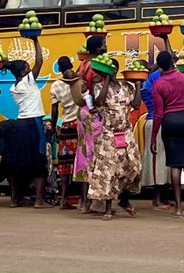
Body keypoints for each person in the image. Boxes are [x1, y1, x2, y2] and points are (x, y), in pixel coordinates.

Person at [88, 58, 142, 221]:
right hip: (108, 134)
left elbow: (137, 105)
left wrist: (138, 84)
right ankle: (108, 208)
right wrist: (106, 81)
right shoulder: (98, 87)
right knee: (109, 172)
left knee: (134, 167)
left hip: (125, 133)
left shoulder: (127, 87)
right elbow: (98, 102)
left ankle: (124, 198)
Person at [151, 51, 184, 217]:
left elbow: (158, 114)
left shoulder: (157, 84)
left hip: (170, 122)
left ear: (159, 66)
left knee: (174, 164)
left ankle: (179, 207)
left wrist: (153, 137)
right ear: (173, 63)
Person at [2, 36, 51, 208]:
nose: (31, 70)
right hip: (33, 124)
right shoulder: (28, 82)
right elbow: (40, 60)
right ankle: (38, 201)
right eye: (28, 69)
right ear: (23, 72)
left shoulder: (14, 87)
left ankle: (15, 200)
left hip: (19, 125)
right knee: (39, 163)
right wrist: (35, 40)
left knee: (17, 164)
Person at [140, 36, 174, 211]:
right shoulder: (156, 78)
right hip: (155, 122)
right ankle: (156, 199)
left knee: (163, 160)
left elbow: (171, 58)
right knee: (157, 161)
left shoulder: (152, 77)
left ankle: (162, 197)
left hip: (158, 121)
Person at [73, 35, 106, 214]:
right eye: (104, 44)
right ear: (98, 49)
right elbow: (96, 92)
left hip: (83, 113)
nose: (106, 46)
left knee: (84, 155)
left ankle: (84, 202)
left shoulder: (83, 64)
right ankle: (96, 202)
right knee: (97, 156)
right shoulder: (97, 67)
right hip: (94, 114)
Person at [49, 57, 80, 210]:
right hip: (82, 125)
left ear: (59, 69)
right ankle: (85, 200)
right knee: (82, 163)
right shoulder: (81, 80)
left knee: (65, 164)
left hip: (67, 126)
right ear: (71, 65)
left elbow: (54, 110)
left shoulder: (55, 86)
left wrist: (54, 128)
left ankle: (63, 200)